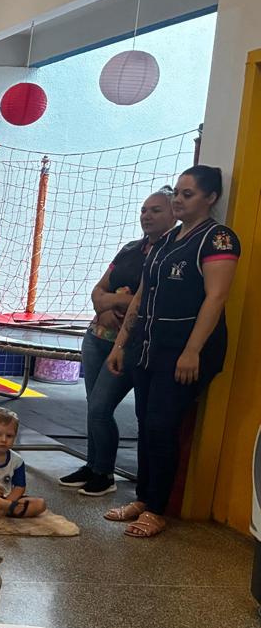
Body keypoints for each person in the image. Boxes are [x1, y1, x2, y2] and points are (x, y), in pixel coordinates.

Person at [104, 165, 241, 539]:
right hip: (149, 348)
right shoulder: (166, 241)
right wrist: (121, 345)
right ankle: (143, 498)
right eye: (177, 193)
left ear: (210, 198)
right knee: (146, 423)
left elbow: (216, 297)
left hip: (183, 353)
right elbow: (142, 296)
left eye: (188, 194)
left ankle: (157, 509)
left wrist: (192, 350)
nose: (178, 200)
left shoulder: (217, 239)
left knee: (162, 426)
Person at [59, 189, 176, 497]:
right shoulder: (130, 249)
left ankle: (104, 472)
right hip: (97, 337)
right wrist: (108, 307)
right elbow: (98, 292)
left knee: (101, 407)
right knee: (93, 406)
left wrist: (115, 302)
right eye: (144, 210)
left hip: (127, 346)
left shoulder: (170, 255)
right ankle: (92, 464)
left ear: (173, 214)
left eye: (156, 210)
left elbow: (147, 302)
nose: (146, 216)